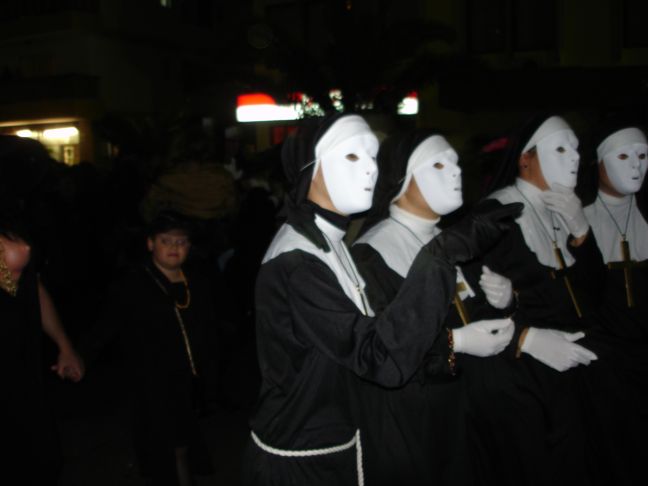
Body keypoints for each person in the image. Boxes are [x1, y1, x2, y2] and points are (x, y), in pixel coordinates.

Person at [243, 113, 520, 486]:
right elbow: (380, 357)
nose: (372, 169)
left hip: (341, 443)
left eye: (374, 156)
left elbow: (385, 335)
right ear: (312, 167)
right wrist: (441, 254)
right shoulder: (298, 262)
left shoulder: (328, 241)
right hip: (305, 461)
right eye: (353, 156)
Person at [351, 130, 519, 486]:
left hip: (470, 410)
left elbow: (472, 315)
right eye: (439, 165)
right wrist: (454, 342)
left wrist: (505, 301)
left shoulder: (456, 239)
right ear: (401, 180)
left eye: (456, 164)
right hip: (417, 420)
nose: (456, 172)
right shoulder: (371, 255)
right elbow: (382, 349)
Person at [476, 114, 602, 486]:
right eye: (560, 149)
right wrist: (526, 338)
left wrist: (581, 233)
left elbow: (595, 295)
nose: (575, 158)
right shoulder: (495, 214)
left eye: (576, 150)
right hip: (525, 379)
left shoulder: (565, 210)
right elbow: (482, 299)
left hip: (572, 377)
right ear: (525, 159)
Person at [80, 211, 216, 486]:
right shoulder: (133, 284)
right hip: (152, 380)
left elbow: (210, 329)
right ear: (151, 244)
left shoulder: (198, 281)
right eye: (166, 241)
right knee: (173, 445)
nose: (175, 248)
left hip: (188, 381)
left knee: (183, 443)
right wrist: (78, 355)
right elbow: (106, 325)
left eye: (181, 242)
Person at [580, 123, 648, 485]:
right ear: (600, 163)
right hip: (605, 366)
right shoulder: (581, 222)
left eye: (642, 155)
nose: (635, 166)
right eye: (623, 156)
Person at [1, 215, 84, 485]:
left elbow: (27, 284)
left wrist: (64, 344)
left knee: (38, 464)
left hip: (21, 379)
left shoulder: (12, 245)